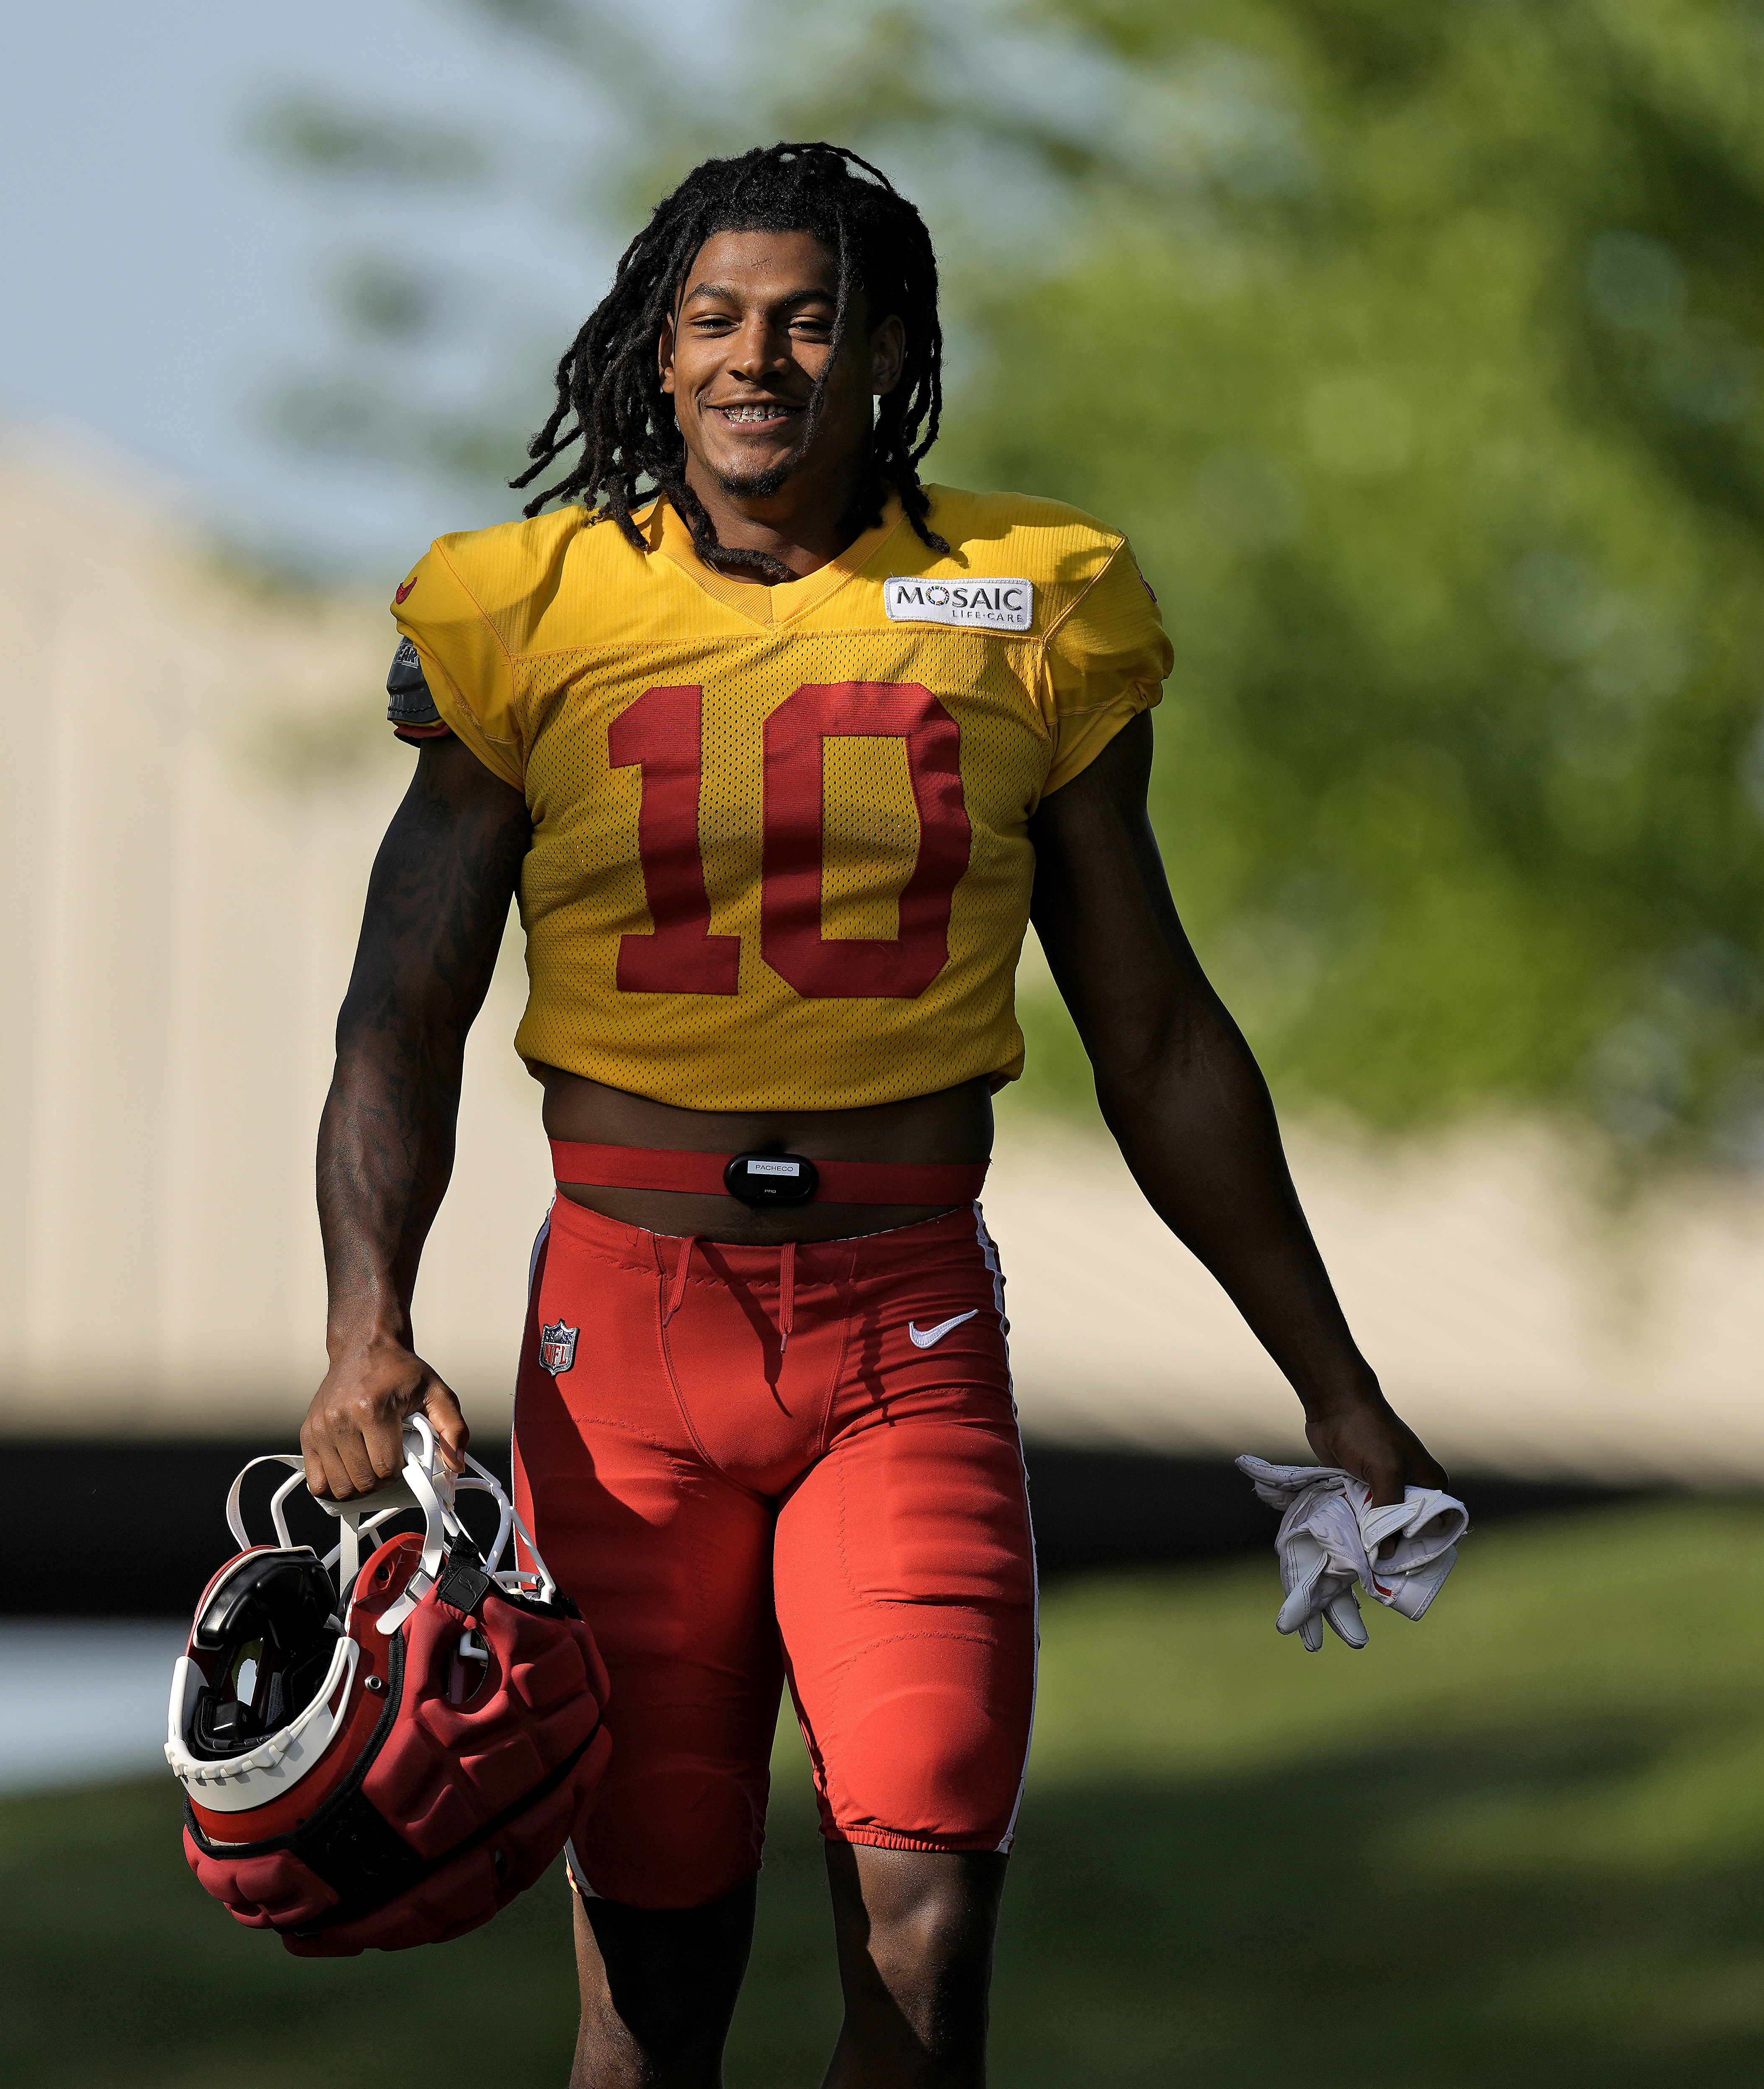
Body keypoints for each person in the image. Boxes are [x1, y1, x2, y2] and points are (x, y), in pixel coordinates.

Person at [299, 142, 1441, 2089]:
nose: (760, 360)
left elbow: (1155, 1031)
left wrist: (1332, 1384)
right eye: (720, 320)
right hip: (624, 1334)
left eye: (811, 319)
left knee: (926, 1938)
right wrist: (364, 1327)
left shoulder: (1027, 598)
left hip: (899, 1328)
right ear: (658, 354)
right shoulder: (533, 603)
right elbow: (401, 1008)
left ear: (893, 347)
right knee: (654, 1989)